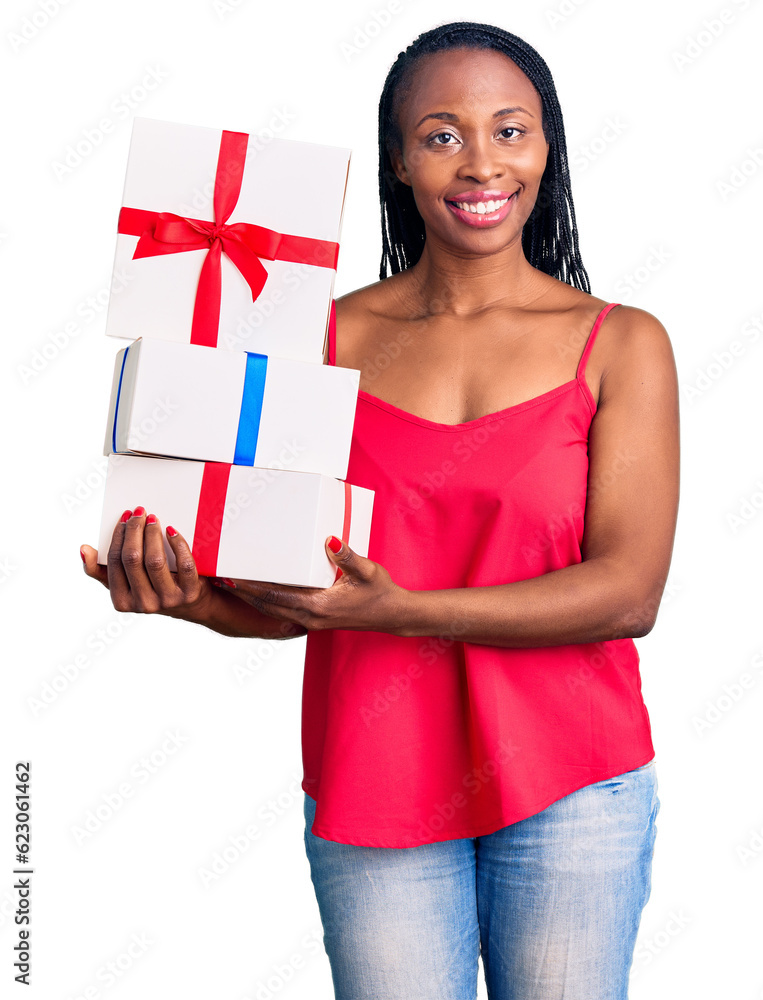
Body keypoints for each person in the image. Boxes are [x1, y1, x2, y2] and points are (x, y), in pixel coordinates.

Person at [81, 20, 680, 1000]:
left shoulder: (620, 344)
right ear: (399, 159)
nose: (479, 160)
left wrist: (400, 609)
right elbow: (297, 595)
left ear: (546, 147)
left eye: (509, 129)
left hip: (574, 781)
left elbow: (625, 594)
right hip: (375, 774)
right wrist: (188, 591)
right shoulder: (310, 341)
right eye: (441, 134)